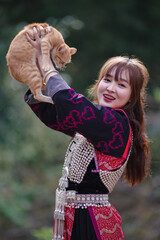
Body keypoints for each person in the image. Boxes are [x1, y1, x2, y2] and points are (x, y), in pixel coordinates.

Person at [24, 27, 151, 240]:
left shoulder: (116, 124)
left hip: (91, 224)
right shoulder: (97, 123)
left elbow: (72, 106)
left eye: (121, 84)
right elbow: (54, 114)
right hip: (75, 217)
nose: (110, 88)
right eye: (107, 80)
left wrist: (48, 66)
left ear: (131, 96)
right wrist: (38, 63)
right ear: (98, 82)